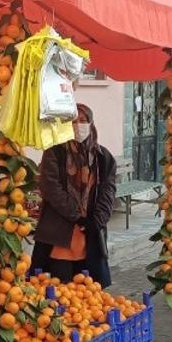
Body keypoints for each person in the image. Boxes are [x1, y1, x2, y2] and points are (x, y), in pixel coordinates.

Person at [33, 103, 117, 286]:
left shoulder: (104, 158)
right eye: (72, 121)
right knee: (59, 290)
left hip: (91, 234)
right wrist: (77, 216)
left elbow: (107, 192)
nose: (78, 125)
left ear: (91, 123)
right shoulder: (54, 152)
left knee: (89, 294)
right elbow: (51, 188)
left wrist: (96, 222)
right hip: (60, 232)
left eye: (83, 120)